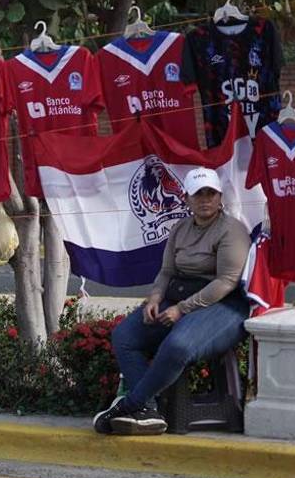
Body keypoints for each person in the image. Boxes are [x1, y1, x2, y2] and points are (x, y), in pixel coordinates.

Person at [94, 167, 251, 435]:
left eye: (210, 193)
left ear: (220, 197)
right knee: (125, 336)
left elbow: (226, 281)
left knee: (177, 345)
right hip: (179, 296)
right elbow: (167, 271)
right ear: (187, 199)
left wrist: (182, 309)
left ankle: (131, 404)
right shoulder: (180, 228)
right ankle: (149, 411)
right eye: (198, 194)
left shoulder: (231, 230)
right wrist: (155, 297)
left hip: (223, 305)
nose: (205, 200)